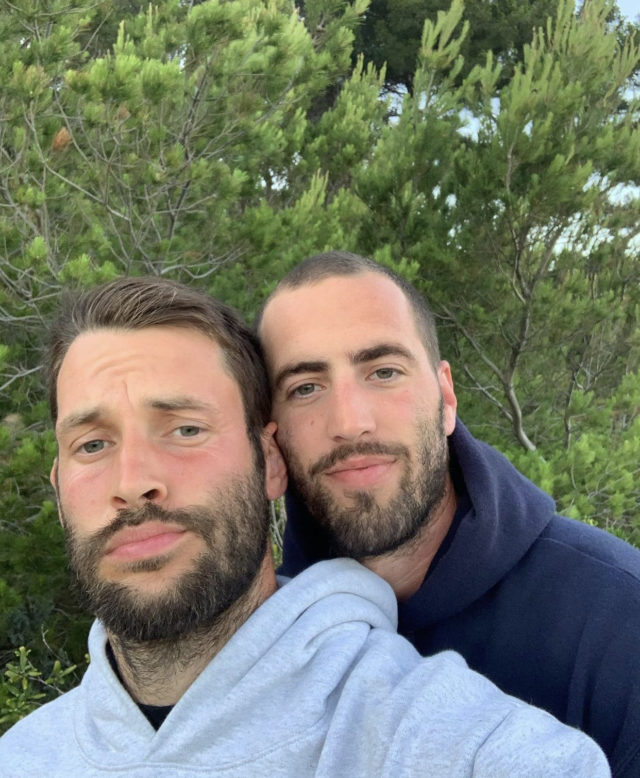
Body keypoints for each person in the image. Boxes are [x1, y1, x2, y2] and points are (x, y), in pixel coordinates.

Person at [0, 276, 609, 777]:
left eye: (185, 429)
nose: (132, 481)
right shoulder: (22, 756)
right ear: (58, 487)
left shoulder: (435, 738)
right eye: (93, 444)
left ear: (270, 462)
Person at [257, 250, 640, 778]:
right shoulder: (264, 637)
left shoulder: (618, 619)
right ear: (271, 433)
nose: (349, 421)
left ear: (446, 397)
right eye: (305, 388)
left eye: (383, 372)